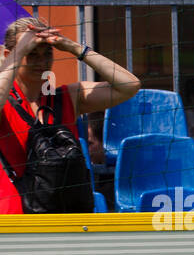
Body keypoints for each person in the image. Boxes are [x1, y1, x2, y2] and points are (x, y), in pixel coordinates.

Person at [0, 16, 139, 213]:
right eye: (32, 54)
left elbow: (129, 86)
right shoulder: (5, 101)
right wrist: (18, 50)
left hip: (66, 212)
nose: (41, 61)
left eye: (47, 53)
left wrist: (74, 47)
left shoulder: (68, 97)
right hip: (17, 213)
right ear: (10, 55)